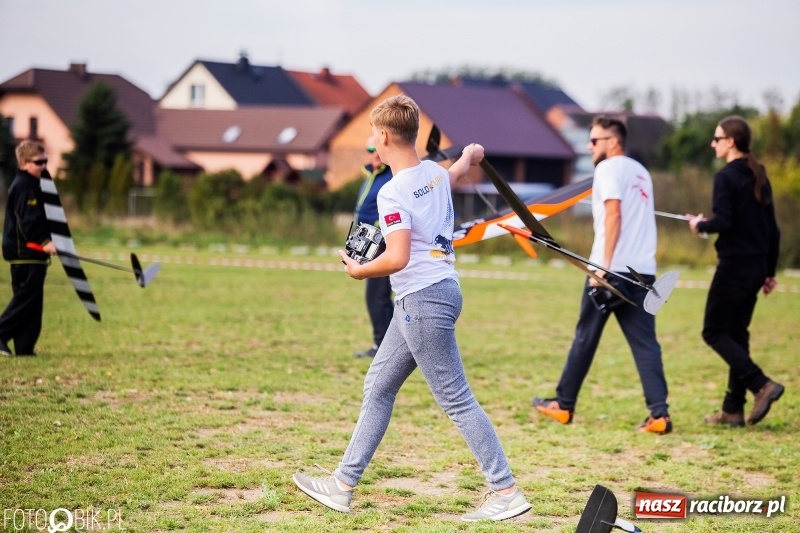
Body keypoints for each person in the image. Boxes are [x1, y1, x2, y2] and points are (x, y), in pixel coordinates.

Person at [292, 94, 531, 522]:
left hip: (422, 299)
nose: (371, 142)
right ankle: (342, 486)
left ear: (384, 137)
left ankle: (506, 490)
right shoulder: (433, 175)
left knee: (457, 400)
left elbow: (397, 257)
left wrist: (360, 270)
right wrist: (471, 154)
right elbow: (455, 172)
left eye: (372, 135)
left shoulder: (392, 191)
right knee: (379, 386)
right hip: (434, 295)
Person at [531, 116, 672, 434]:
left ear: (613, 141)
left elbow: (614, 213)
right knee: (646, 344)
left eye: (594, 140)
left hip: (612, 271)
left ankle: (563, 405)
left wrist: (602, 269)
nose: (589, 146)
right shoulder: (641, 172)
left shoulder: (608, 169)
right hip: (643, 273)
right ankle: (659, 415)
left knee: (585, 337)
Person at [686, 115, 783, 427]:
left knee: (713, 331)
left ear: (730, 141)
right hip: (755, 268)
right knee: (737, 335)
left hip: (734, 268)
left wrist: (700, 225)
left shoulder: (726, 177)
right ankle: (732, 409)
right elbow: (773, 231)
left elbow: (724, 222)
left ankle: (761, 384)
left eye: (717, 138)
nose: (713, 144)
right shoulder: (759, 176)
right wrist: (769, 272)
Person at [0, 140, 57, 356]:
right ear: (24, 163)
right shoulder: (24, 185)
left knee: (33, 301)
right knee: (26, 298)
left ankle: (25, 347)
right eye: (38, 162)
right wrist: (44, 241)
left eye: (45, 161)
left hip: (33, 254)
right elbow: (29, 220)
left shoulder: (33, 184)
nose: (43, 166)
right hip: (25, 252)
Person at [351, 136, 394, 358]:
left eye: (378, 149)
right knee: (379, 296)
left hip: (382, 242)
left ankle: (384, 347)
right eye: (371, 149)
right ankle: (391, 345)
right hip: (366, 240)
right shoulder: (370, 174)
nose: (375, 154)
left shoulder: (392, 175)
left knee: (377, 296)